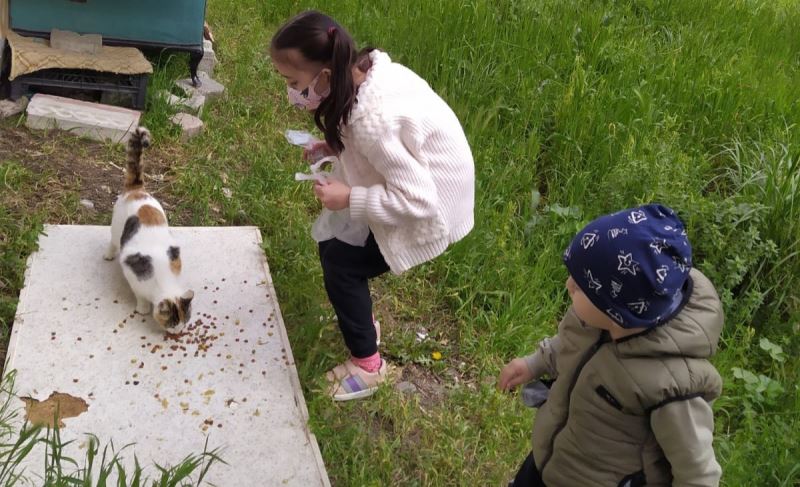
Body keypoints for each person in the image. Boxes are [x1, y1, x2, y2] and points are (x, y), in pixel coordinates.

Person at [270, 11, 475, 401]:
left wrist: (350, 197)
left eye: (294, 82)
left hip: (433, 208)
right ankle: (362, 323)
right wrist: (334, 146)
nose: (292, 92)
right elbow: (379, 143)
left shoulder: (373, 120)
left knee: (342, 264)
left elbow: (417, 199)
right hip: (420, 183)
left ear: (325, 76)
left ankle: (368, 365)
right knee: (334, 244)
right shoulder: (364, 74)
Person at [499, 204, 723, 486]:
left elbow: (697, 473)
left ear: (619, 310)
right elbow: (568, 345)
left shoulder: (670, 385)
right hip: (551, 460)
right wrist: (533, 363)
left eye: (581, 286)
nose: (569, 285)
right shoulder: (594, 320)